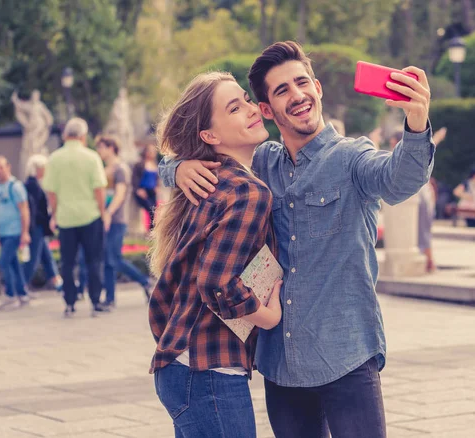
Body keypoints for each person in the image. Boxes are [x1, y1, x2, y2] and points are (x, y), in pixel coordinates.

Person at [159, 41, 435, 438]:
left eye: (302, 82)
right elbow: (199, 152)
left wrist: (416, 123)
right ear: (267, 110)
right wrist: (179, 167)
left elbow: (399, 179)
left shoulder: (352, 158)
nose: (298, 94)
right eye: (282, 90)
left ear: (318, 88)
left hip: (346, 355)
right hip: (281, 365)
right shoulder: (262, 162)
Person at [148, 72, 284, 438]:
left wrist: (175, 168)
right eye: (234, 108)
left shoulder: (213, 180)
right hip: (209, 372)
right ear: (210, 136)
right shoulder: (247, 192)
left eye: (245, 99)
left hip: (184, 364)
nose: (251, 109)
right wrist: (268, 317)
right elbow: (215, 283)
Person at [42, 118, 110, 317]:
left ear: (65, 136)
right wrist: (103, 212)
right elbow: (99, 189)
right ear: (82, 136)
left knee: (68, 263)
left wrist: (55, 213)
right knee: (94, 260)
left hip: (66, 218)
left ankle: (70, 303)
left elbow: (51, 193)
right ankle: (96, 302)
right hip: (91, 216)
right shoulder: (92, 157)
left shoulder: (54, 158)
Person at [95, 135, 153, 306]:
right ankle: (111, 298)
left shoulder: (121, 169)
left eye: (101, 147)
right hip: (106, 218)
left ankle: (144, 281)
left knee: (113, 259)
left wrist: (108, 212)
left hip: (117, 219)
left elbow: (120, 195)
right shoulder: (105, 168)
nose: (99, 151)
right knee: (109, 259)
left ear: (111, 148)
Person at [0, 156, 31, 311]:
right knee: (13, 263)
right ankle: (22, 293)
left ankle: (10, 295)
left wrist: (25, 232)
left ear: (8, 167)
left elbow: (24, 210)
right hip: (4, 232)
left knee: (3, 261)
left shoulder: (16, 186)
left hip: (15, 231)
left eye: (0, 167)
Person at [22, 154, 63, 292]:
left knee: (46, 256)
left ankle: (57, 281)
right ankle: (22, 286)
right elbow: (33, 210)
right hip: (36, 227)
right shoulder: (32, 185)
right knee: (33, 258)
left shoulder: (35, 184)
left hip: (39, 226)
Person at [418, 127, 446, 272]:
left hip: (423, 197)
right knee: (424, 232)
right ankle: (429, 262)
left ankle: (429, 262)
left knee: (424, 232)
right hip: (422, 197)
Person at [132, 143, 159, 230]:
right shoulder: (139, 164)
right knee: (150, 209)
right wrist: (138, 190)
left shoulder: (155, 165)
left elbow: (156, 179)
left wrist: (157, 187)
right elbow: (134, 178)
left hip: (152, 191)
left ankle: (152, 230)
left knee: (154, 210)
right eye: (150, 151)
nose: (152, 153)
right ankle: (151, 230)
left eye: (153, 152)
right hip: (142, 191)